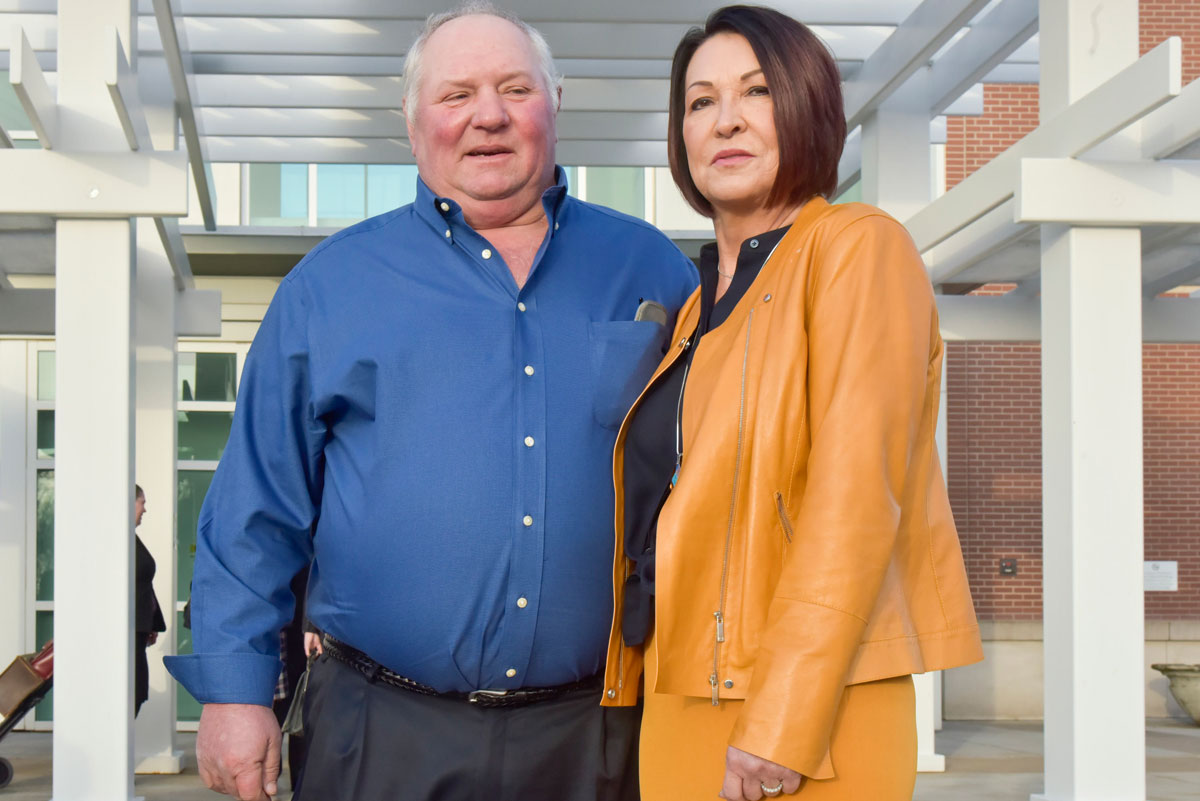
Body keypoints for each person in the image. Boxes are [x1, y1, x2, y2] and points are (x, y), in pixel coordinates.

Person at [163, 3, 698, 800]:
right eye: (457, 96)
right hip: (379, 734)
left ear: (556, 103)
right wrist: (237, 694)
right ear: (413, 124)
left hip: (598, 734)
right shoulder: (327, 288)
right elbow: (255, 510)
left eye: (515, 89)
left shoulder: (656, 273)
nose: (488, 115)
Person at [600, 6, 984, 800]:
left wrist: (781, 719)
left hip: (805, 710)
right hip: (681, 693)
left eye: (756, 91)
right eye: (701, 102)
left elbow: (855, 500)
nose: (726, 119)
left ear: (807, 105)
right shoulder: (695, 310)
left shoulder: (855, 247)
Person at [134, 485, 166, 717]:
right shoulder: (116, 540)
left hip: (139, 630)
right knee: (132, 691)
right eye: (142, 502)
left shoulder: (131, 539)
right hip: (129, 631)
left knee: (136, 691)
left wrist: (153, 623)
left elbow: (144, 583)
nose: (144, 509)